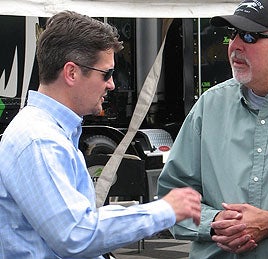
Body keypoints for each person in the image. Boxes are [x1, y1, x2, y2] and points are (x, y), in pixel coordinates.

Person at [0, 11, 202, 258]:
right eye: (106, 74)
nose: (112, 84)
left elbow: (79, 225)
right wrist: (164, 211)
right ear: (72, 73)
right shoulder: (39, 140)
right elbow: (75, 235)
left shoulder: (46, 133)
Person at [157, 0, 268, 258]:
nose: (234, 45)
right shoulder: (210, 105)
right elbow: (171, 194)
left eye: (249, 36)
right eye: (232, 34)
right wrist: (215, 223)